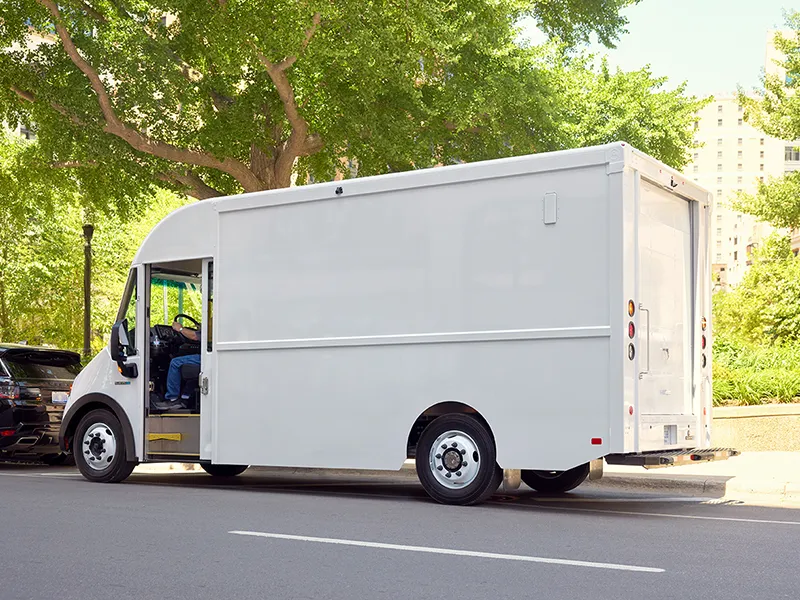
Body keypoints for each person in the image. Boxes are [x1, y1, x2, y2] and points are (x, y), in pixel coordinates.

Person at [162, 320, 201, 406]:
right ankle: (185, 396)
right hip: (209, 354)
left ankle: (172, 398)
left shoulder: (213, 326)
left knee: (175, 362)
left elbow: (195, 336)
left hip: (206, 357)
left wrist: (180, 328)